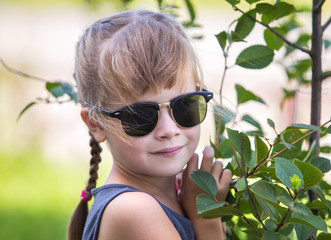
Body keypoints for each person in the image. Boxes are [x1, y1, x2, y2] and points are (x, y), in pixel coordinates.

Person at [68, 10, 232, 240]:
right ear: (96, 124)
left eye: (184, 106)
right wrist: (208, 218)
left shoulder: (176, 194)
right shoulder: (134, 210)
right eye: (140, 116)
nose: (168, 130)